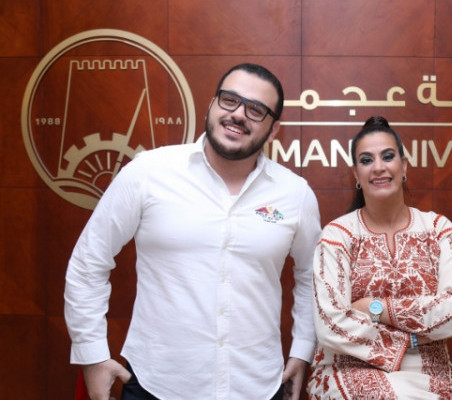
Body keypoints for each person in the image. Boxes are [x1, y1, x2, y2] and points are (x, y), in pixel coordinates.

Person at [64, 63, 322, 400]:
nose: (238, 114)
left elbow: (311, 277)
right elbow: (88, 261)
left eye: (256, 110)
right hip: (156, 385)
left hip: (256, 386)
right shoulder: (149, 172)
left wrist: (302, 350)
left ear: (273, 130)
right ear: (212, 105)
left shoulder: (295, 194)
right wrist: (92, 355)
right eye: (230, 100)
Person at [306, 116, 452, 400]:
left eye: (387, 156)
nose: (378, 167)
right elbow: (330, 324)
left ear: (404, 166)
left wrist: (374, 308)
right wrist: (411, 340)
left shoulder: (438, 229)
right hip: (349, 365)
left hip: (431, 368)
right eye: (366, 160)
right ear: (356, 174)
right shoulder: (338, 235)